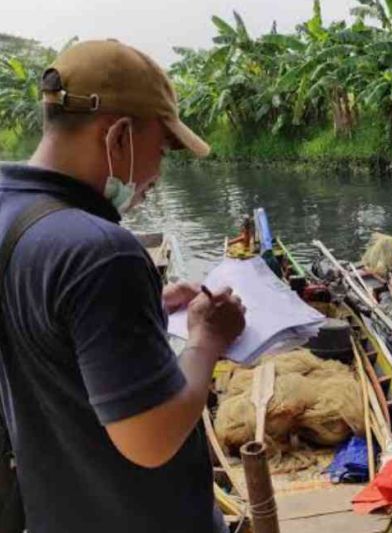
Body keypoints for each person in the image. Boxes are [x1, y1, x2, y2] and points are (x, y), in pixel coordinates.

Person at [0, 40, 246, 532]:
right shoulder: (99, 251)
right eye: (163, 146)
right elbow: (150, 439)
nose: (158, 170)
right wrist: (206, 341)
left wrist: (149, 304)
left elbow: (43, 330)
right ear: (118, 138)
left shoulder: (10, 213)